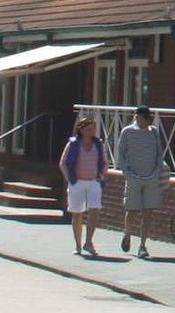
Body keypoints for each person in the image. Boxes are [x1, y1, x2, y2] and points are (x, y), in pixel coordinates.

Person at [114, 106, 167, 258]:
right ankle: (127, 233)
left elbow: (159, 152)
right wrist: (126, 172)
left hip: (151, 176)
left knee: (148, 211)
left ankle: (143, 245)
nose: (147, 121)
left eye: (149, 118)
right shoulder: (127, 132)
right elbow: (121, 152)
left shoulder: (153, 132)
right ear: (137, 117)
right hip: (134, 176)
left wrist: (157, 170)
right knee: (132, 209)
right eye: (144, 118)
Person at [59, 116, 108, 256]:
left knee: (94, 210)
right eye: (88, 129)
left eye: (92, 129)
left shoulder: (98, 144)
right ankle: (78, 245)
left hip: (93, 182)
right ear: (81, 130)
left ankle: (89, 242)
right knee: (77, 213)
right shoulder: (73, 144)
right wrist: (69, 179)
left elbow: (105, 162)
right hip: (77, 182)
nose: (91, 132)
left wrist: (102, 175)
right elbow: (63, 163)